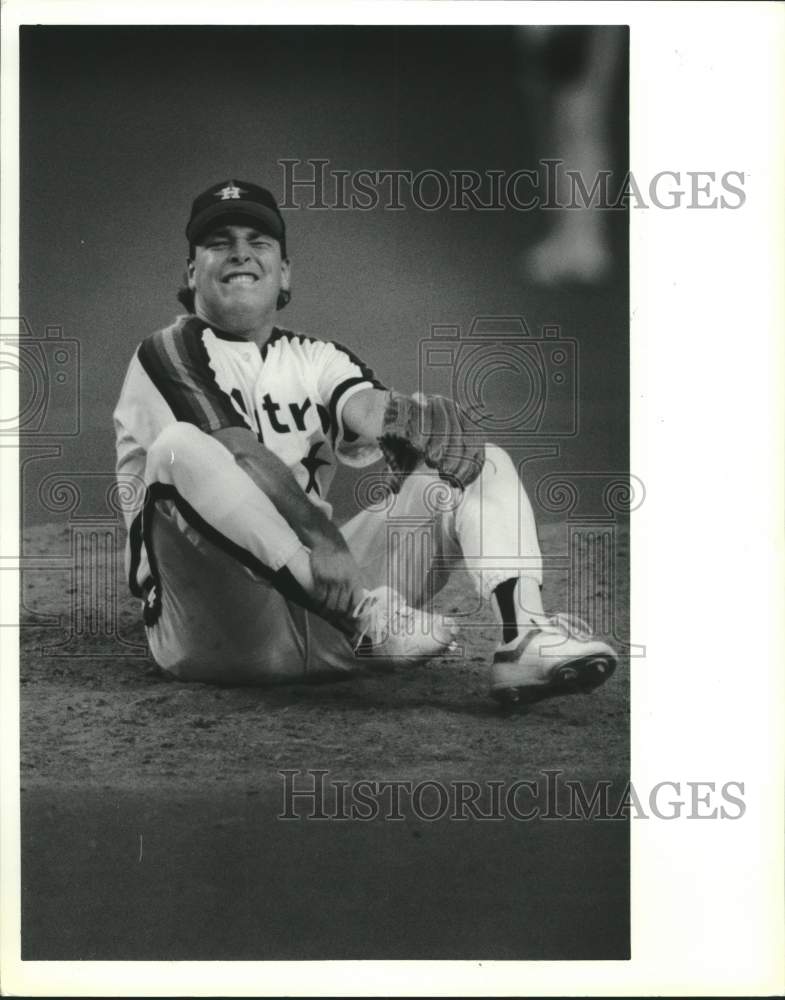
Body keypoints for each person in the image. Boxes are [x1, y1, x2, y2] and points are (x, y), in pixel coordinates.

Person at [113, 179, 617, 704]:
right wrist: (324, 540)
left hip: (330, 623)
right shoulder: (168, 351)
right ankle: (364, 613)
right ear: (192, 272)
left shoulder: (317, 356)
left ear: (284, 271)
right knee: (178, 446)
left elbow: (366, 409)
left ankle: (526, 638)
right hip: (216, 631)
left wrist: (410, 419)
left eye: (258, 241)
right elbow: (238, 449)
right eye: (219, 241)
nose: (241, 251)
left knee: (475, 461)